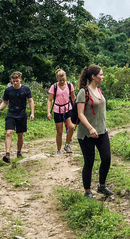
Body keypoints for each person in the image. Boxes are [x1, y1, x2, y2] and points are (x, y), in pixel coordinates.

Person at [75, 64, 113, 198]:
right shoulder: (83, 92)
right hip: (86, 133)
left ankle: (102, 186)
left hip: (102, 131)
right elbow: (80, 114)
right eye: (101, 74)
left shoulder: (99, 90)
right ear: (93, 76)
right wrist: (90, 128)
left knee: (107, 158)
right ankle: (87, 191)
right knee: (89, 161)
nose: (102, 77)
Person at [0, 71, 35, 164]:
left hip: (22, 114)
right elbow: (5, 102)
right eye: (13, 81)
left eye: (17, 81)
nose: (15, 83)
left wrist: (32, 113)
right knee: (9, 132)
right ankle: (7, 154)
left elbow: (30, 101)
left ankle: (19, 152)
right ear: (11, 80)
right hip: (11, 114)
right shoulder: (8, 90)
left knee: (20, 134)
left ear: (20, 79)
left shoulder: (26, 89)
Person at [46, 69, 76, 155]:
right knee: (59, 131)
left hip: (68, 108)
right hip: (57, 110)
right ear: (57, 79)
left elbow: (73, 97)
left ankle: (67, 144)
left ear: (66, 78)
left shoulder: (70, 85)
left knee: (71, 127)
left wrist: (76, 109)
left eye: (63, 80)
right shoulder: (54, 87)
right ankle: (58, 150)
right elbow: (50, 100)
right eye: (60, 80)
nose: (62, 82)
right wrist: (48, 112)